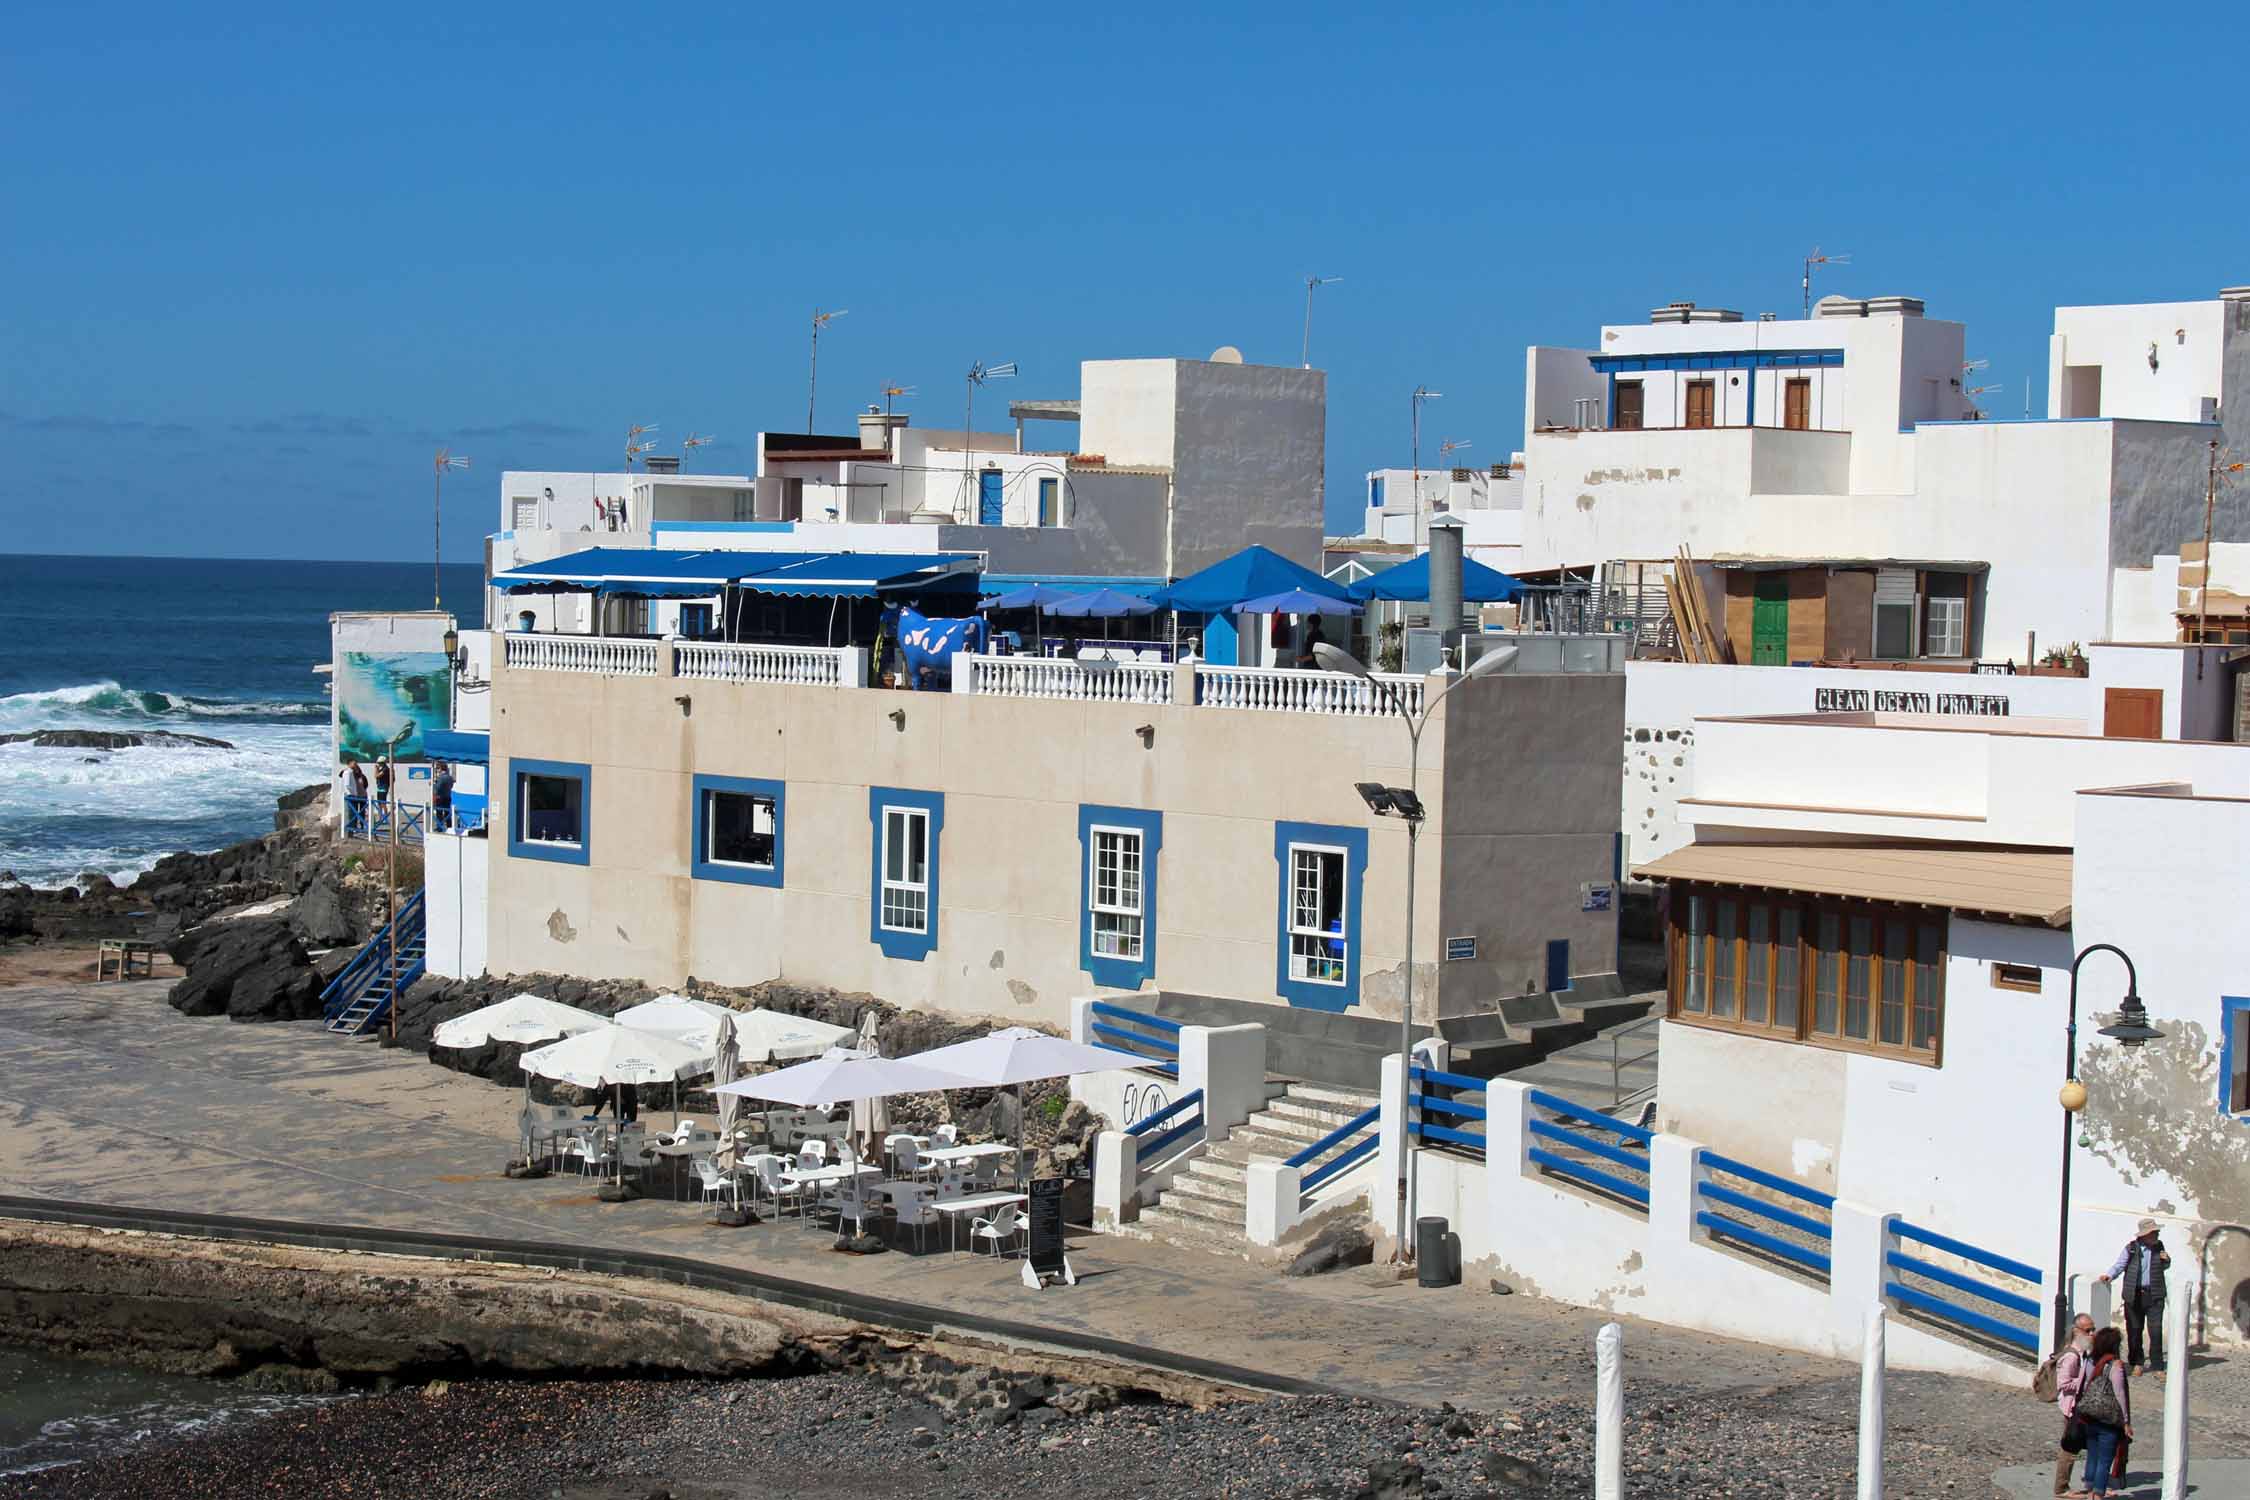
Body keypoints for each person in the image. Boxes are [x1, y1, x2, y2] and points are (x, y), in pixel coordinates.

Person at [2095, 1218, 2171, 1374]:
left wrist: (2167, 1261)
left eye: (2157, 1232)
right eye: (2154, 1232)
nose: (2157, 1234)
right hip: (2134, 1295)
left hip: (2154, 1294)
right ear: (2144, 1235)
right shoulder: (2131, 1249)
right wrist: (2109, 1276)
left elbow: (2163, 1266)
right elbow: (2120, 1265)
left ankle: (2157, 1366)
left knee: (2155, 1331)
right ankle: (2137, 1362)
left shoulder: (2159, 1246)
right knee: (2134, 1330)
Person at [2070, 1326, 2131, 1498]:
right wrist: (2125, 1420)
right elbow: (2120, 1394)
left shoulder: (2091, 1360)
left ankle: (2089, 1487)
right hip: (2108, 1418)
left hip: (2089, 1414)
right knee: (2105, 1459)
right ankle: (2097, 1494)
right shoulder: (2115, 1365)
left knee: (2093, 1454)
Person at [2051, 1312, 2096, 1497]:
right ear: (2077, 1331)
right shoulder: (2072, 1357)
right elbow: (2063, 1383)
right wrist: (2082, 1381)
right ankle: (2061, 1488)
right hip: (2071, 1408)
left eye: (2093, 1329)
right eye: (2088, 1330)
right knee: (2069, 1448)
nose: (2092, 1333)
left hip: (2076, 1406)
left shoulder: (2082, 1352)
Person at [430, 759, 455, 833]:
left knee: (439, 813)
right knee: (447, 812)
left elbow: (438, 788)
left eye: (438, 768)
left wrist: (433, 785)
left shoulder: (441, 778)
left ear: (441, 769)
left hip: (440, 797)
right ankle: (449, 827)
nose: (438, 770)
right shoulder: (450, 777)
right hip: (448, 796)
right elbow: (451, 786)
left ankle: (440, 827)